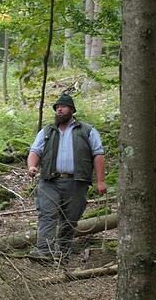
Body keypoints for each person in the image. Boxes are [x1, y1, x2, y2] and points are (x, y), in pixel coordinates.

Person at [27, 94, 107, 264]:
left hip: (77, 182)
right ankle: (44, 252)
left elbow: (98, 155)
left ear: (72, 110)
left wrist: (101, 181)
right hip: (49, 181)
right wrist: (32, 166)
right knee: (47, 215)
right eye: (57, 107)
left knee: (70, 220)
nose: (59, 110)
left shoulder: (87, 131)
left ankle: (63, 253)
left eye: (62, 107)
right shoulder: (47, 131)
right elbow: (35, 151)